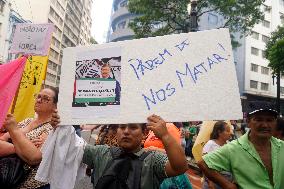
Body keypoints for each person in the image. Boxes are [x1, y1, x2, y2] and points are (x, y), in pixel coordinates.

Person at [48, 113, 188, 189]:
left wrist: (165, 136)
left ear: (144, 133)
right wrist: (62, 127)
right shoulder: (101, 152)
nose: (126, 131)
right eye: (122, 127)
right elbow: (71, 148)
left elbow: (180, 167)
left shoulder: (153, 159)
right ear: (116, 132)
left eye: (133, 127)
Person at [198, 101, 284, 189]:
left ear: (275, 122)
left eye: (270, 120)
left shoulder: (282, 146)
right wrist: (227, 185)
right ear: (248, 122)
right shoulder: (234, 148)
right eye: (258, 119)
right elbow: (203, 163)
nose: (265, 125)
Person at [1, 87, 58, 189]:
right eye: (38, 96)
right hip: (8, 178)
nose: (39, 100)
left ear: (55, 106)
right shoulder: (27, 121)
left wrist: (14, 131)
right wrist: (20, 147)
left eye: (46, 98)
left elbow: (33, 158)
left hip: (32, 185)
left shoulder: (53, 129)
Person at [202, 121, 232, 189]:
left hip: (227, 182)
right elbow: (204, 165)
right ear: (219, 132)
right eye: (227, 131)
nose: (230, 133)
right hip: (214, 181)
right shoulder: (210, 144)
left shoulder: (229, 144)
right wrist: (210, 182)